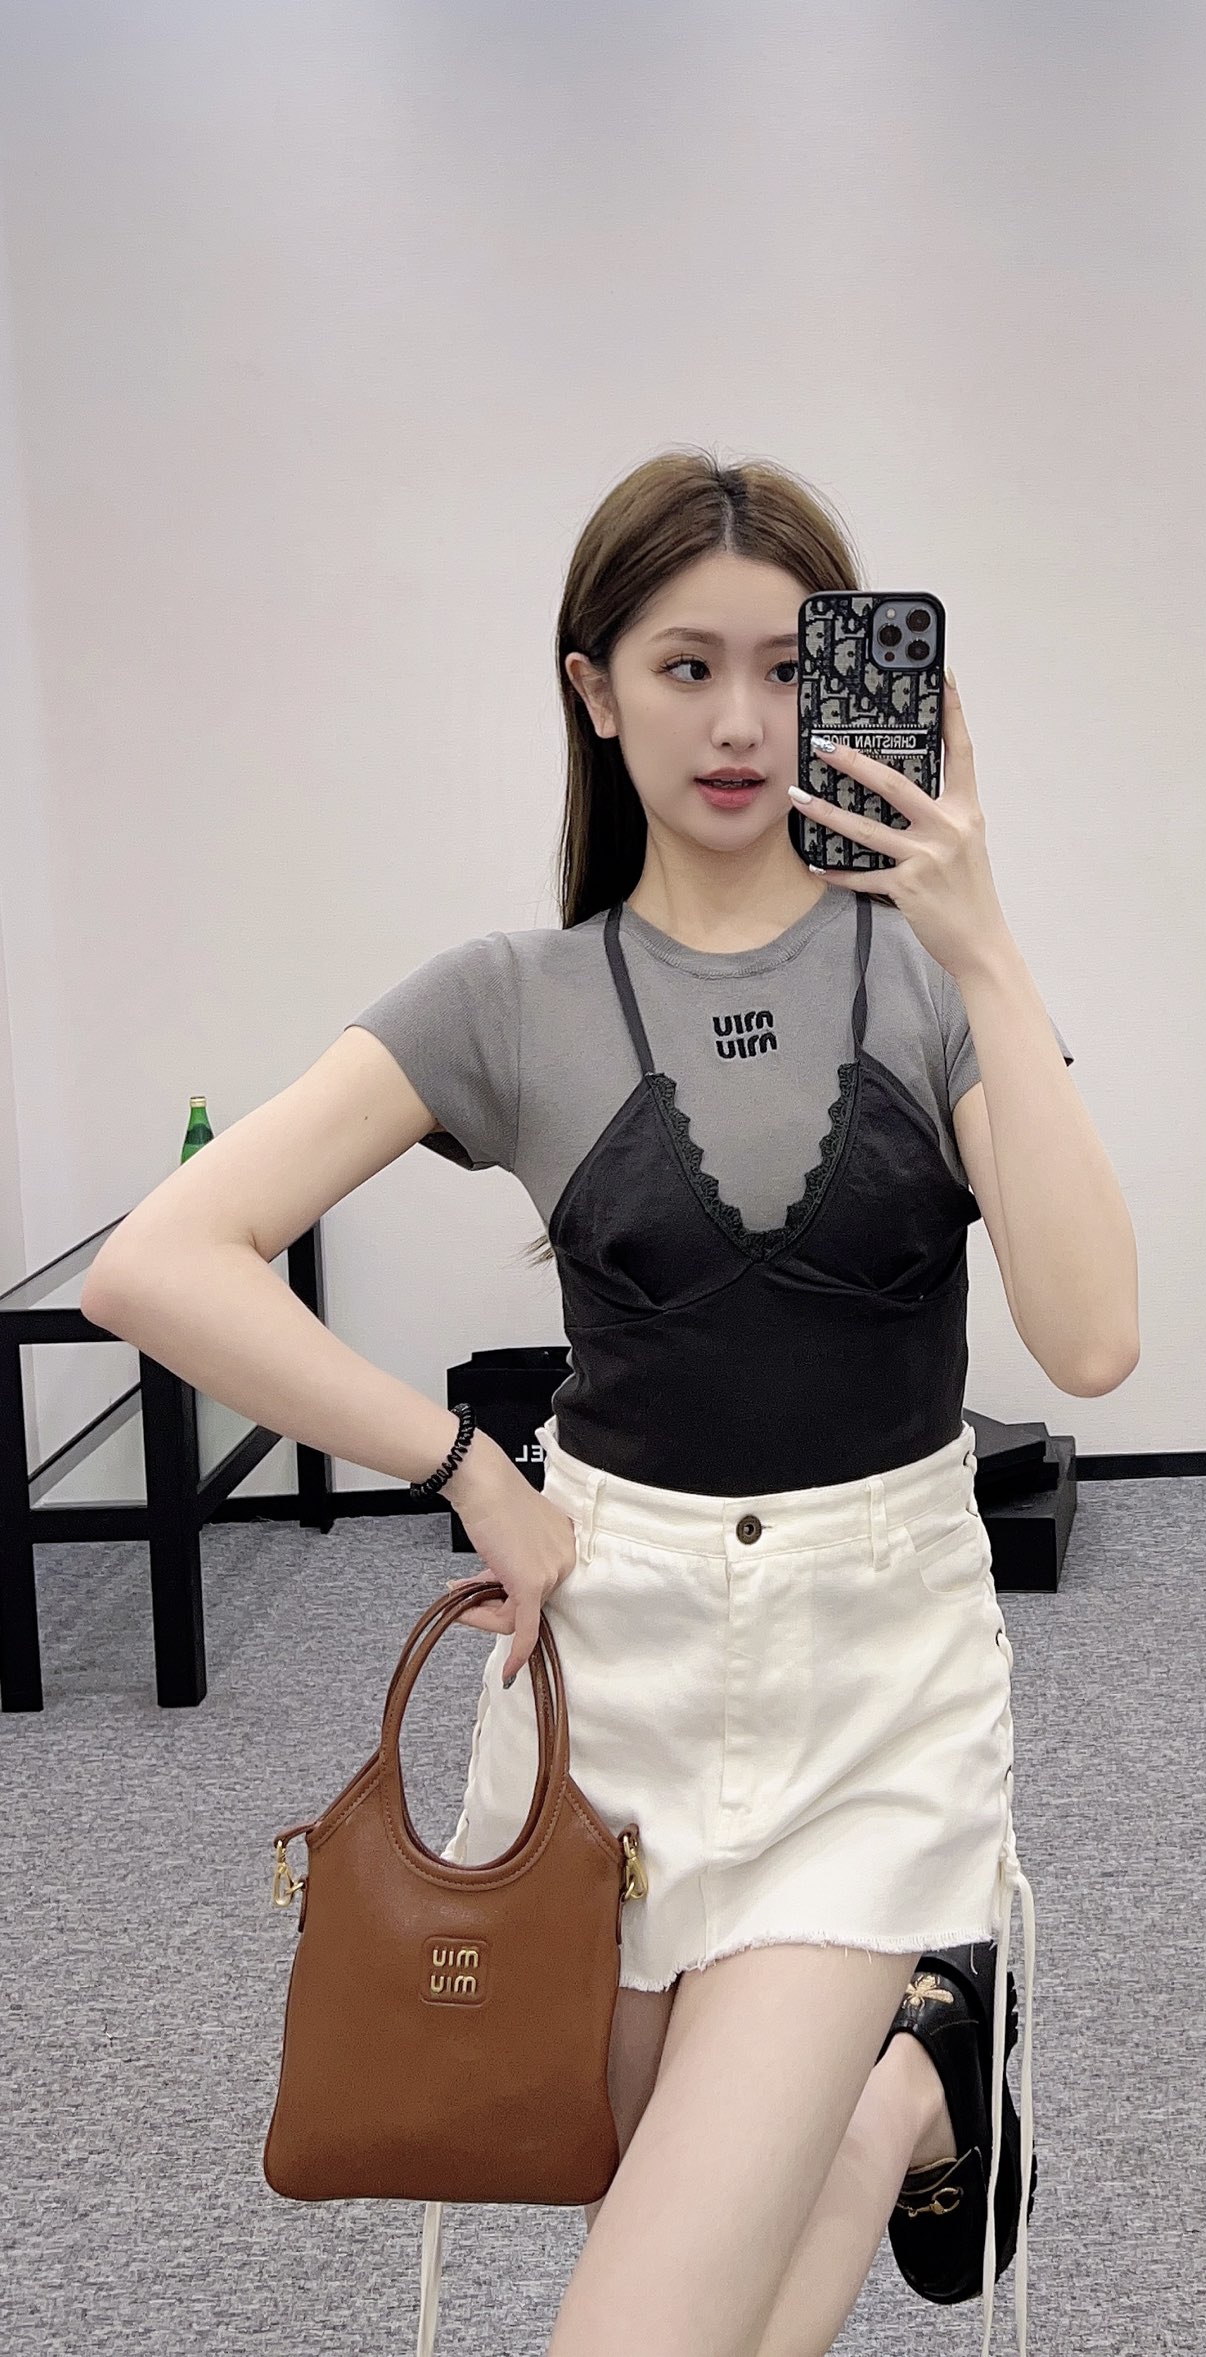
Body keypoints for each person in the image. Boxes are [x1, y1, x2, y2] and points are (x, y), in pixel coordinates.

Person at [85, 449, 1139, 2357]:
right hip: (612, 1683)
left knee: (639, 2327)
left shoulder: (925, 983)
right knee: (711, 2263)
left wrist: (985, 938)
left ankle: (892, 2056)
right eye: (683, 666)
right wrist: (465, 1467)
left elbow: (1092, 1336)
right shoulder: (511, 998)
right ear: (594, 688)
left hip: (872, 1690)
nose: (741, 723)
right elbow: (159, 1261)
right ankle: (916, 2089)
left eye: (787, 669)